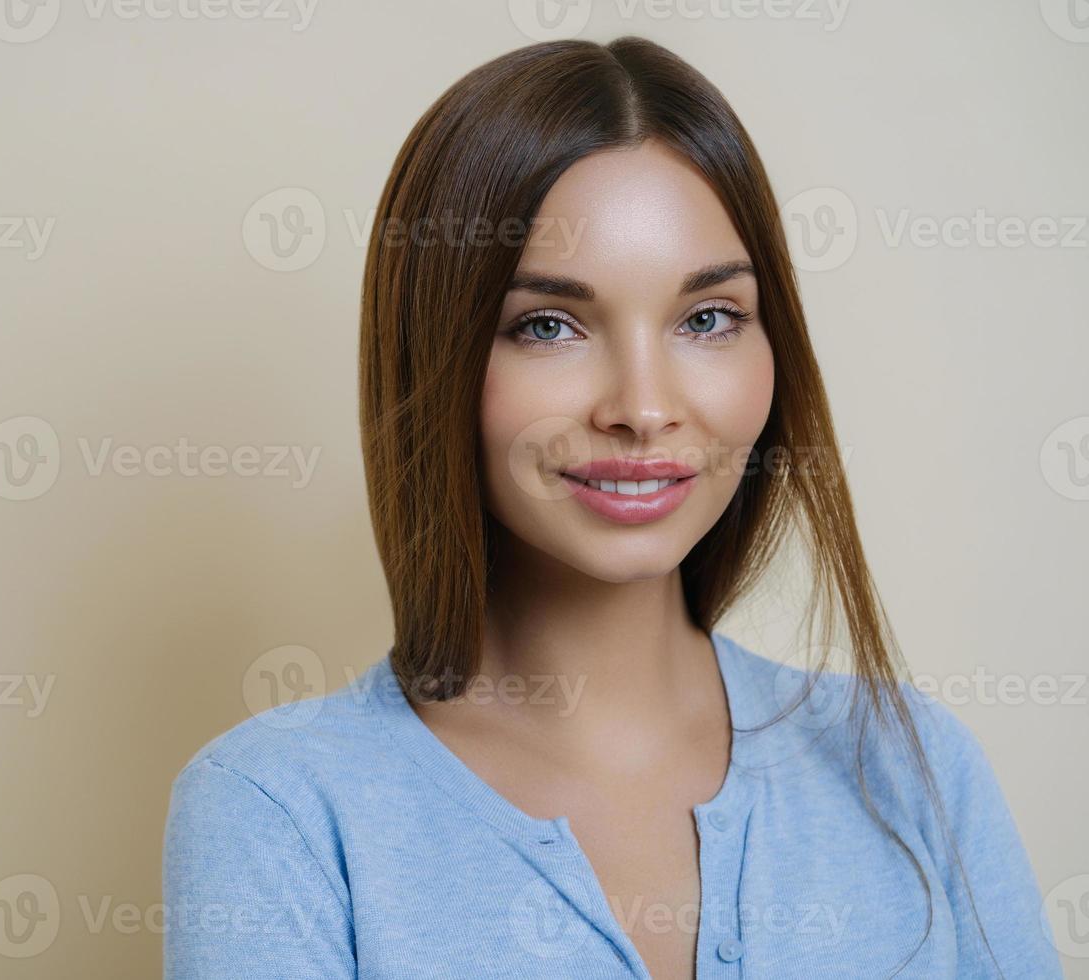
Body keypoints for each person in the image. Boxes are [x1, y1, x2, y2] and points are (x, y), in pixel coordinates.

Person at [161, 37, 1062, 979]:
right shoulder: (278, 813)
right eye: (547, 325)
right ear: (435, 357)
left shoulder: (910, 767)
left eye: (706, 318)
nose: (641, 405)